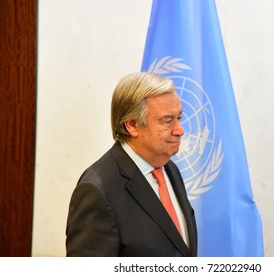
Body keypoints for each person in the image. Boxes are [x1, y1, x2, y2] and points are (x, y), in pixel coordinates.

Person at [65, 72, 198, 257]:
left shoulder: (169, 168)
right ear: (132, 125)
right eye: (167, 121)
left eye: (179, 118)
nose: (180, 130)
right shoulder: (98, 190)